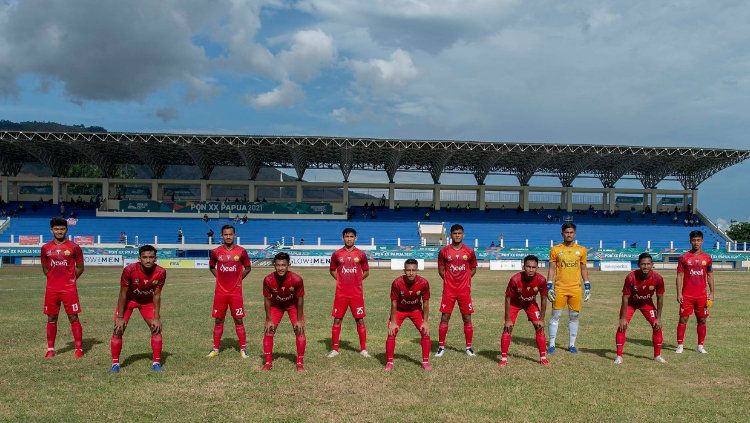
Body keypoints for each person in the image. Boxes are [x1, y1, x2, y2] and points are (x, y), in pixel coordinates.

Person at [109, 245, 167, 373]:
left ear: (155, 258)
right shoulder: (129, 270)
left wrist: (157, 317)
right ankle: (115, 364)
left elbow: (157, 295)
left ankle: (156, 363)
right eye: (144, 257)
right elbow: (123, 294)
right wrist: (120, 317)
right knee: (118, 329)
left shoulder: (161, 272)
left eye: (151, 257)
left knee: (156, 329)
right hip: (129, 301)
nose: (148, 260)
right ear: (139, 258)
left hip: (147, 303)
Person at [40, 217, 85, 359]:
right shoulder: (45, 248)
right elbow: (45, 268)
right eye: (56, 229)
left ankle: (78, 348)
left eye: (62, 229)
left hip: (69, 289)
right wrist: (54, 280)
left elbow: (80, 267)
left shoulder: (74, 247)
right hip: (52, 289)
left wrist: (71, 280)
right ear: (51, 230)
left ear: (66, 229)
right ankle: (51, 349)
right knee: (51, 318)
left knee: (73, 317)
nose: (59, 231)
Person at [207, 225, 252, 358]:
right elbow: (211, 266)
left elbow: (248, 268)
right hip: (220, 292)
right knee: (218, 320)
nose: (228, 236)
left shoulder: (241, 251)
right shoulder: (216, 252)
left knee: (238, 319)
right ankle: (215, 348)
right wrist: (219, 277)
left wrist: (239, 279)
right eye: (225, 234)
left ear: (234, 235)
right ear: (222, 235)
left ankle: (243, 348)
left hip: (235, 293)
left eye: (230, 234)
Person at [547, 222, 590, 354]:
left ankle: (571, 345)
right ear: (562, 234)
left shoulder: (581, 250)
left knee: (574, 316)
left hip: (575, 289)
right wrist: (549, 285)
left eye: (571, 232)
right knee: (556, 316)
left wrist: (587, 285)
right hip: (560, 288)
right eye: (567, 232)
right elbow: (552, 268)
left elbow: (583, 268)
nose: (569, 234)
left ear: (574, 234)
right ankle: (552, 344)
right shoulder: (555, 249)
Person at [614, 253, 666, 364]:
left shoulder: (658, 278)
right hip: (631, 303)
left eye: (648, 264)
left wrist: (659, 318)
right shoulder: (631, 277)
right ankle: (619, 356)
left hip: (646, 303)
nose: (645, 267)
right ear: (638, 265)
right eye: (643, 264)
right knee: (622, 326)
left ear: (652, 264)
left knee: (657, 326)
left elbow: (660, 298)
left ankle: (657, 356)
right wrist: (623, 318)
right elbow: (625, 298)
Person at [435, 224, 478, 357]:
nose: (457, 235)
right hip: (449, 290)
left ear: (463, 235)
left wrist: (465, 279)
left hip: (464, 290)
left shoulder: (469, 251)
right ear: (451, 235)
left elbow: (473, 268)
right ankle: (441, 347)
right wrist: (450, 280)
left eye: (459, 233)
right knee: (445, 317)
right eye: (455, 233)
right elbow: (441, 270)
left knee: (467, 317)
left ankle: (468, 347)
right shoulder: (444, 251)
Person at [327, 228, 370, 358]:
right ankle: (335, 349)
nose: (349, 239)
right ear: (343, 238)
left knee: (360, 320)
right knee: (337, 320)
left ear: (355, 238)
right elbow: (332, 270)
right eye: (347, 236)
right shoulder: (337, 254)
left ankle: (363, 349)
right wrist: (339, 280)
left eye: (351, 236)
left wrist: (358, 280)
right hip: (341, 293)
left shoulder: (361, 254)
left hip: (356, 294)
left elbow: (366, 271)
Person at [500, 255, 550, 367]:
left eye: (533, 267)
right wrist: (507, 319)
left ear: (537, 268)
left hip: (530, 303)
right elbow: (507, 298)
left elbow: (543, 299)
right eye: (528, 266)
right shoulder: (515, 279)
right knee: (508, 328)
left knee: (539, 327)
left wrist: (541, 319)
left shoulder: (541, 280)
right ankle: (503, 358)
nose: (531, 269)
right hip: (514, 303)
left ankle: (543, 357)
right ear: (523, 266)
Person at [261, 253, 306, 371]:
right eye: (278, 265)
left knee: (299, 330)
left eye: (283, 265)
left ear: (288, 265)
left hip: (293, 306)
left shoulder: (297, 279)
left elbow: (300, 300)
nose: (281, 268)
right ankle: (268, 363)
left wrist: (299, 320)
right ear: (274, 265)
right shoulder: (268, 279)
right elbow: (267, 300)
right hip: (276, 306)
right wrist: (268, 319)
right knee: (269, 330)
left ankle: (300, 363)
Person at [385, 259, 432, 371]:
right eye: (408, 270)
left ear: (417, 270)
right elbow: (394, 303)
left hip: (415, 310)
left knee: (425, 332)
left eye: (413, 270)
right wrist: (393, 321)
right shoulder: (397, 283)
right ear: (404, 270)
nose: (411, 273)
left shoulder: (424, 283)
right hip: (400, 310)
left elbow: (425, 303)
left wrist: (425, 322)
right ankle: (389, 362)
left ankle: (425, 362)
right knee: (391, 333)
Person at [675, 230, 714, 354]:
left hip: (702, 296)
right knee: (683, 319)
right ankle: (680, 345)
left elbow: (710, 276)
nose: (696, 242)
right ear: (690, 241)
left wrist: (712, 293)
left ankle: (700, 346)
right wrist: (679, 293)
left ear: (702, 241)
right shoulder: (684, 258)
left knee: (702, 320)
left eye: (698, 240)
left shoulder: (707, 258)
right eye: (694, 240)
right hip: (687, 295)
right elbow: (680, 276)